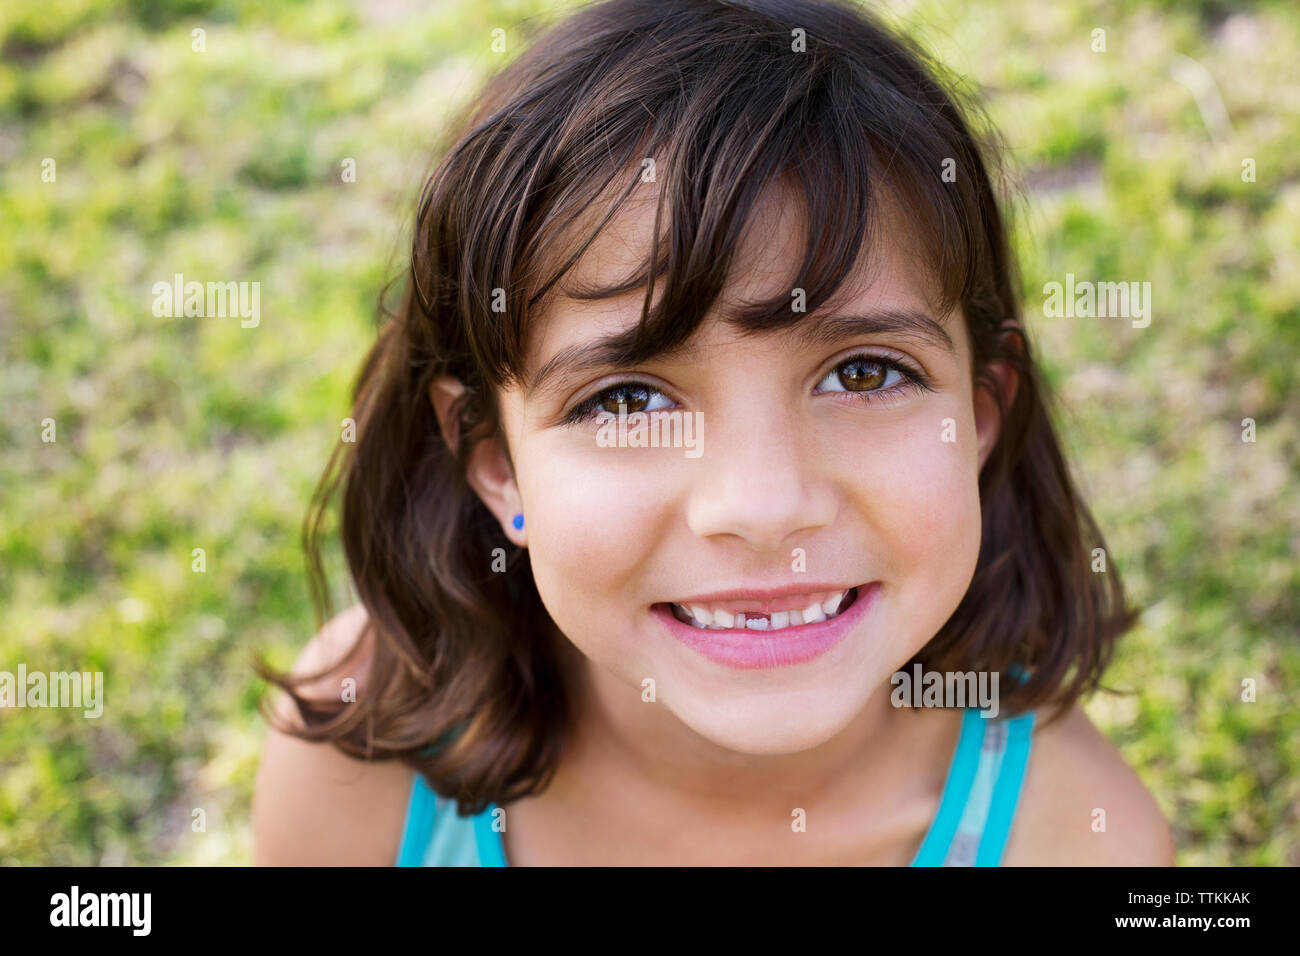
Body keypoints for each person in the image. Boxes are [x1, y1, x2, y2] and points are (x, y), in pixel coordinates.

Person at [252, 0, 1175, 866]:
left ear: (978, 420)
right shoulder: (364, 746)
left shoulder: (1077, 841)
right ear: (496, 464)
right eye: (626, 401)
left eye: (865, 374)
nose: (763, 506)